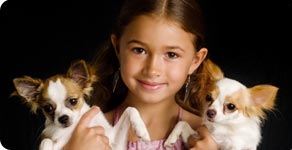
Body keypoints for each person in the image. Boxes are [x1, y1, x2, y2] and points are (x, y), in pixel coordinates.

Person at [63, 0, 219, 149]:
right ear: (118, 48)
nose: (152, 70)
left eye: (171, 54)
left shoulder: (213, 138)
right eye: (139, 50)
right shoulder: (81, 135)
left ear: (195, 61)